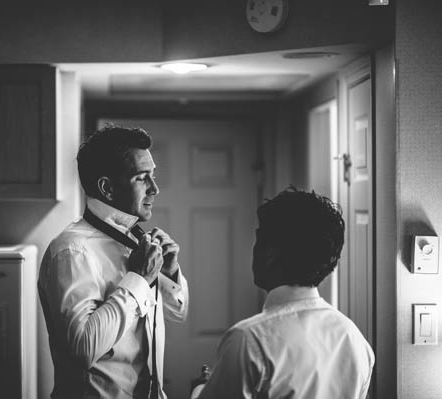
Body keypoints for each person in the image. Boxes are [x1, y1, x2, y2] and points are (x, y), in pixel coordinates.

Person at [38, 124, 189, 399]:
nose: (155, 188)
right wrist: (139, 280)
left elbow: (177, 312)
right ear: (107, 188)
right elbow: (83, 349)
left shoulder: (135, 242)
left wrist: (170, 272)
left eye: (153, 176)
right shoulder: (72, 251)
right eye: (142, 178)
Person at [198, 187, 374, 399]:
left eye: (259, 239)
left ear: (270, 254)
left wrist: (199, 391)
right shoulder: (355, 340)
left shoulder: (249, 340)